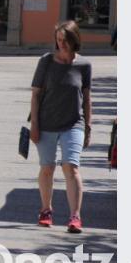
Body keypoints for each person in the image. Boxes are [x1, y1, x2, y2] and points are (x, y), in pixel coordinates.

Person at [30, 21, 92, 233]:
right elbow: (36, 94)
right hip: (46, 123)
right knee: (47, 167)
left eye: (65, 40)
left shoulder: (84, 65)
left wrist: (89, 127)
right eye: (58, 40)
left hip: (74, 123)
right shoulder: (46, 61)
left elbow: (86, 97)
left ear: (74, 40)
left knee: (71, 167)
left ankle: (75, 216)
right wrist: (35, 126)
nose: (61, 44)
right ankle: (46, 210)